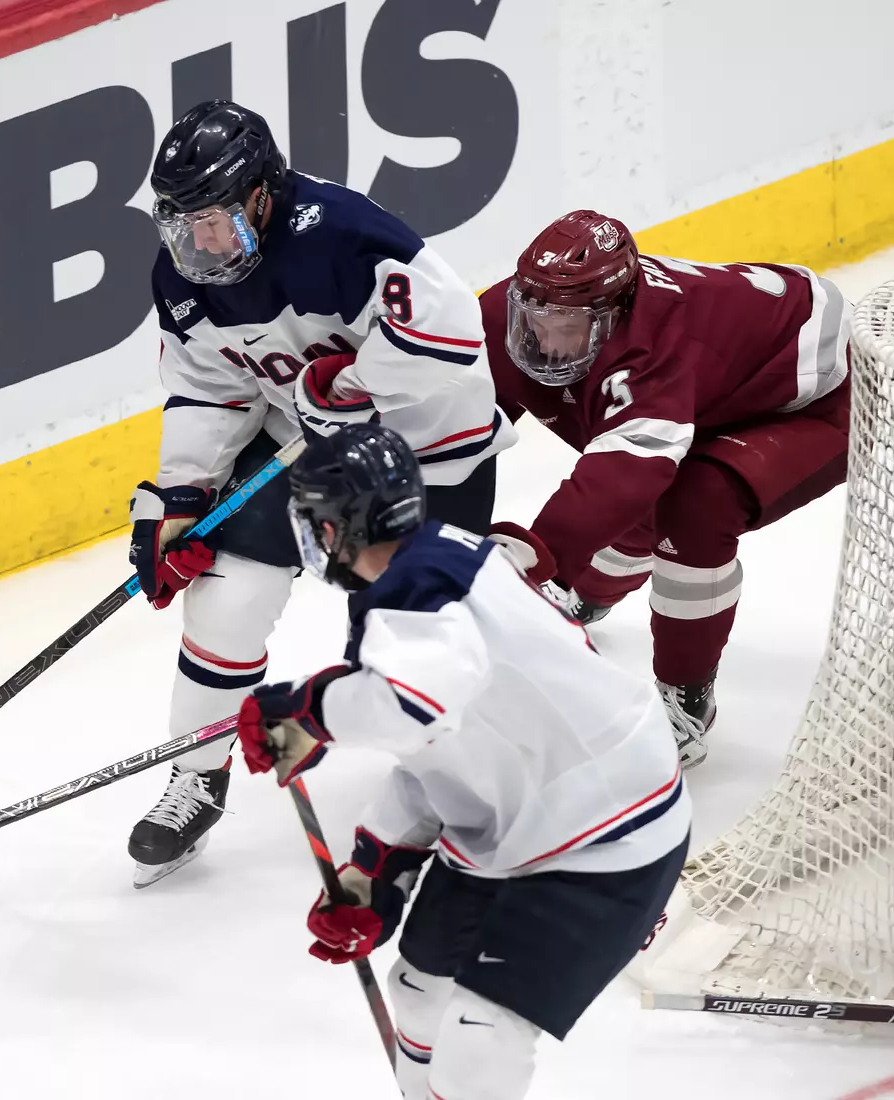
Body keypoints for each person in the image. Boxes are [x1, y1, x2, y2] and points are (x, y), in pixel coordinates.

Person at [237, 424, 689, 1100]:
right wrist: (374, 871)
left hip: (607, 829)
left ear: (337, 526)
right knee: (418, 994)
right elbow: (441, 747)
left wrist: (313, 708)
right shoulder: (426, 570)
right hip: (521, 815)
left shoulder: (419, 591)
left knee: (480, 1036)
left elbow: (414, 709)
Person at [126, 100, 512, 886]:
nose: (201, 244)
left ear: (263, 195)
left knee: (420, 626)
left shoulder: (344, 233)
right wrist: (182, 497)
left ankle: (453, 776)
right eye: (184, 224)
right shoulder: (183, 276)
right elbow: (208, 390)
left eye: (218, 221)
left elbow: (452, 334)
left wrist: (362, 380)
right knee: (226, 597)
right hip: (305, 443)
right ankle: (195, 777)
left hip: (427, 445)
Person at [480, 210, 852, 766]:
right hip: (718, 378)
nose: (547, 341)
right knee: (642, 483)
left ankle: (686, 700)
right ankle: (589, 592)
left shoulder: (655, 348)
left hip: (813, 396)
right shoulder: (498, 313)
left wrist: (535, 560)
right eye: (537, 317)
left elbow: (624, 477)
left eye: (569, 323)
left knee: (696, 503)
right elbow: (464, 422)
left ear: (615, 313)